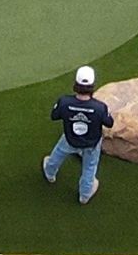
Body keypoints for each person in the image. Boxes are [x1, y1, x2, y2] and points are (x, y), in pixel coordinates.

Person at [42, 65, 115, 204]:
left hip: (70, 139)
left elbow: (54, 116)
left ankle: (50, 172)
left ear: (76, 84)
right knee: (89, 168)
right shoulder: (100, 107)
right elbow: (109, 123)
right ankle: (85, 195)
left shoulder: (64, 101)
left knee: (58, 154)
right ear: (92, 86)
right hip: (91, 144)